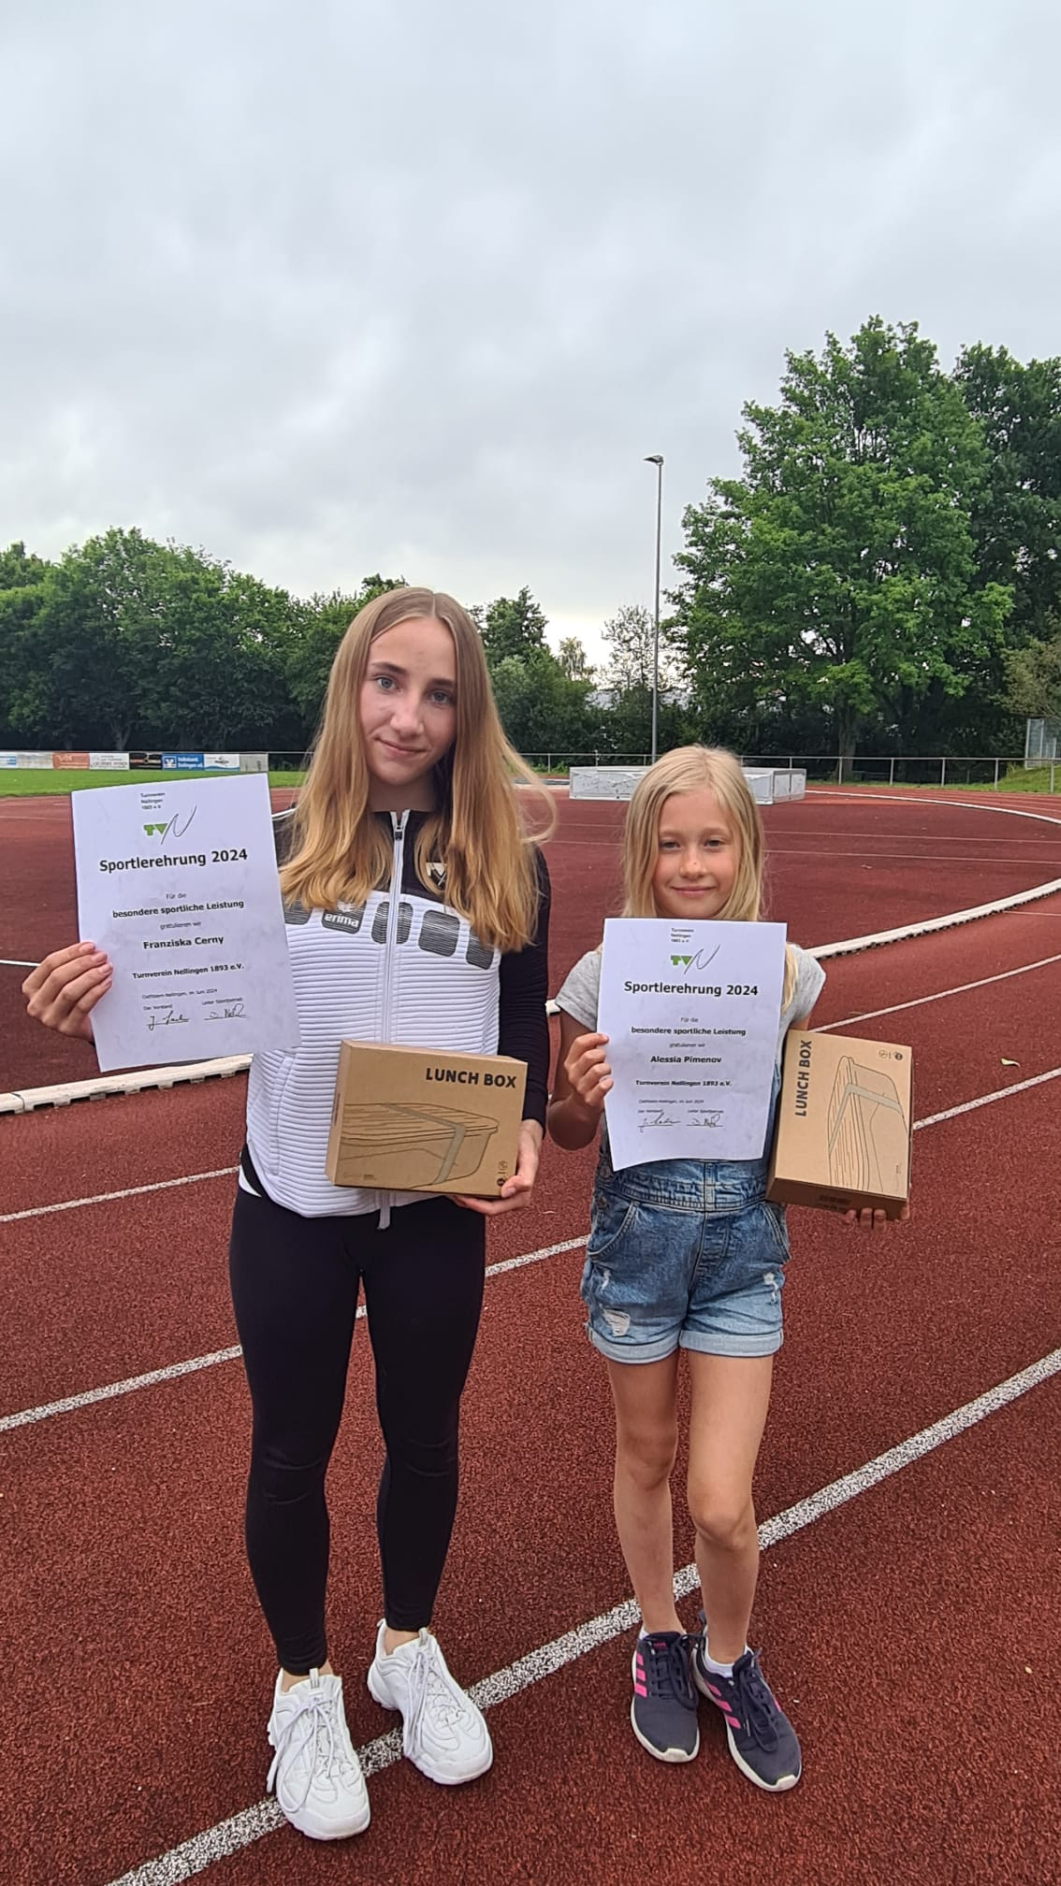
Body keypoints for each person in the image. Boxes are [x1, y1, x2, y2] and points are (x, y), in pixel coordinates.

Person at [23, 588, 553, 1842]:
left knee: (425, 1440)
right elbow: (168, 997)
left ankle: (405, 1647)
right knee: (288, 1453)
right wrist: (89, 1010)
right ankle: (302, 1683)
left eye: (439, 693)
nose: (408, 716)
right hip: (290, 1211)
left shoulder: (509, 861)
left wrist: (524, 1122)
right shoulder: (261, 845)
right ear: (348, 686)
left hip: (433, 1214)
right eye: (387, 681)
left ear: (467, 712)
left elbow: (519, 1023)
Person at [546, 746, 906, 1787]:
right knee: (645, 1454)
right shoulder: (599, 976)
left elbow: (803, 1111)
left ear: (745, 846)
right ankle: (660, 1631)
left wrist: (850, 1174)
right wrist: (576, 1096)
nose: (692, 865)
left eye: (712, 841)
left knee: (718, 1501)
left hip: (742, 1258)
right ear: (642, 851)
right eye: (670, 844)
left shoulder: (790, 976)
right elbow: (566, 1131)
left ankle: (727, 1656)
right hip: (636, 1252)